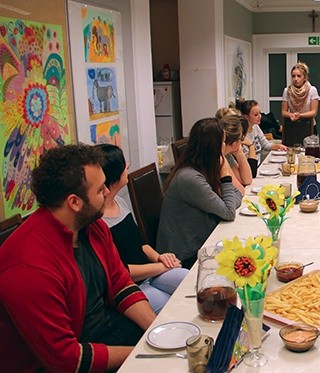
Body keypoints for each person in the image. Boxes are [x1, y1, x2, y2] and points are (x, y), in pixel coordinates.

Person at [0, 144, 155, 372]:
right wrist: (141, 353)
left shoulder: (92, 226)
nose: (107, 193)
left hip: (104, 333)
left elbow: (120, 283)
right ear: (74, 202)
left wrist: (156, 332)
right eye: (101, 188)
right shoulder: (30, 266)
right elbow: (66, 360)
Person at [98, 144, 188, 314]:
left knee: (190, 281)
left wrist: (161, 258)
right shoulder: (97, 222)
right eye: (124, 165)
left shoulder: (120, 203)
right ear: (114, 174)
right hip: (129, 286)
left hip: (150, 272)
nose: (128, 166)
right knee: (174, 308)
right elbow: (120, 272)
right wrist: (161, 267)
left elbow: (140, 243)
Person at [157, 118, 243, 269]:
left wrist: (226, 190)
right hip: (184, 258)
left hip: (204, 242)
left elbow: (237, 195)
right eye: (223, 142)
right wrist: (226, 176)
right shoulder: (190, 178)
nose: (225, 146)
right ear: (213, 147)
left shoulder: (204, 168)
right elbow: (229, 212)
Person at [236, 98, 287, 165]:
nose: (260, 116)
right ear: (246, 117)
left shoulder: (255, 127)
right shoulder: (241, 134)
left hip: (259, 165)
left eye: (260, 113)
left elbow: (265, 144)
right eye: (256, 115)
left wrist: (278, 146)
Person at [220, 115, 254, 192]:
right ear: (234, 143)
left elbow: (247, 180)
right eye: (241, 138)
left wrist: (239, 152)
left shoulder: (227, 155)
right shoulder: (219, 158)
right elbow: (241, 190)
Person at [281, 62, 319, 130]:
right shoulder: (287, 91)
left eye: (299, 76)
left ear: (304, 77)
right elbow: (283, 112)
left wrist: (300, 115)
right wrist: (291, 115)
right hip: (293, 125)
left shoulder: (312, 90)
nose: (295, 79)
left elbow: (313, 112)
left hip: (309, 125)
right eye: (293, 76)